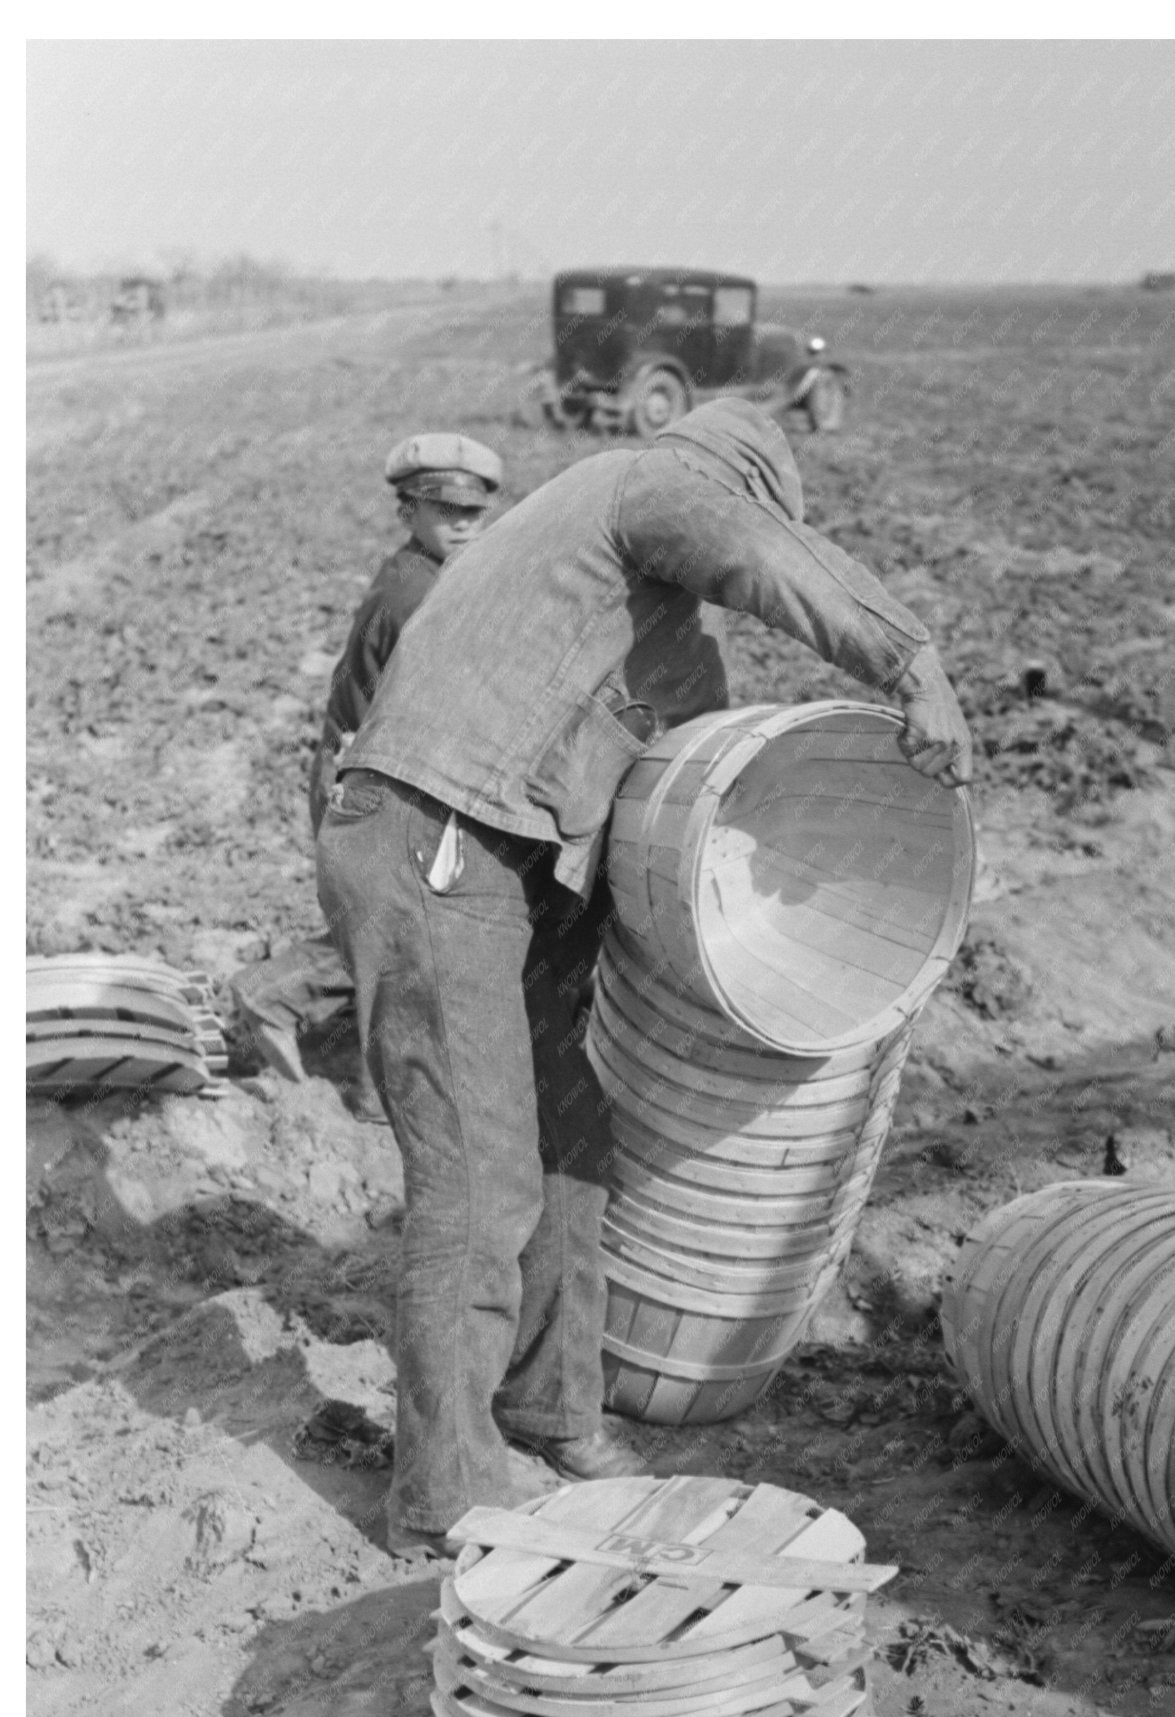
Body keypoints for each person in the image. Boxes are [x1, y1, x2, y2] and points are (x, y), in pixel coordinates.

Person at [315, 395, 973, 1560]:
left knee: (570, 1143)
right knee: (477, 1175)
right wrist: (907, 661)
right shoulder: (640, 485)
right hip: (433, 836)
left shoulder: (647, 616)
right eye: (743, 516)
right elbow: (753, 549)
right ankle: (445, 1490)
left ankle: (552, 1407)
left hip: (512, 863)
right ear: (728, 484)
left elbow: (685, 770)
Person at [234, 433, 504, 1105]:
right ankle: (306, 1028)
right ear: (407, 509)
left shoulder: (430, 575)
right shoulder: (415, 596)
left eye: (474, 510)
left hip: (378, 769)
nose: (465, 522)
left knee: (397, 932)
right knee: (401, 936)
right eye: (446, 510)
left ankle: (327, 1043)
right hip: (371, 784)